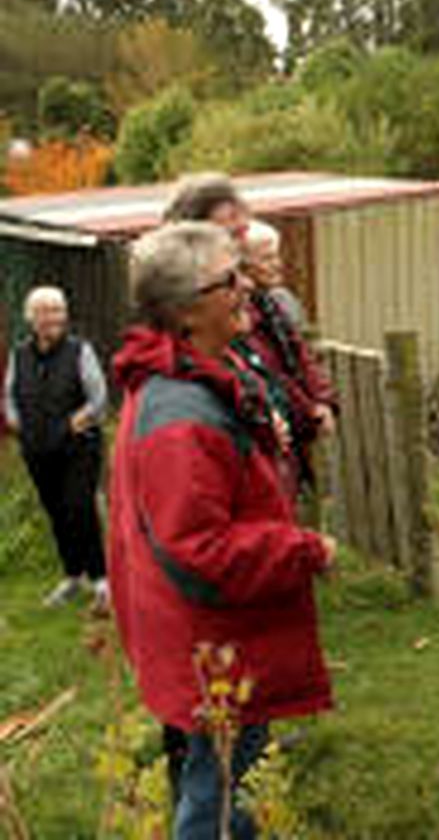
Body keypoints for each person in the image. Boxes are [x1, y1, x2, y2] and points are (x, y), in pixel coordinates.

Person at [107, 222, 337, 840]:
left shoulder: (195, 375)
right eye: (227, 280)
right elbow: (199, 550)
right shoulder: (180, 414)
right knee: (213, 798)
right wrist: (304, 549)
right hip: (212, 641)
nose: (246, 288)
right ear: (186, 311)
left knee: (225, 782)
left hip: (207, 635)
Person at [3, 285, 108, 608]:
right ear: (29, 317)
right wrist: (16, 422)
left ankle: (101, 580)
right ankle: (73, 576)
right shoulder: (19, 354)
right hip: (36, 449)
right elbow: (8, 395)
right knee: (56, 512)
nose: (51, 318)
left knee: (79, 507)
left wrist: (76, 423)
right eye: (43, 311)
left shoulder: (80, 351)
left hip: (79, 447)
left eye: (57, 310)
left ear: (65, 315)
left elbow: (99, 399)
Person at [237, 218, 338, 495]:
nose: (277, 264)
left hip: (295, 424)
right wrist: (310, 410)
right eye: (267, 258)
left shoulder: (275, 303)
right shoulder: (242, 315)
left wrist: (323, 399)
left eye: (276, 255)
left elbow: (300, 354)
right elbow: (271, 371)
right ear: (242, 264)